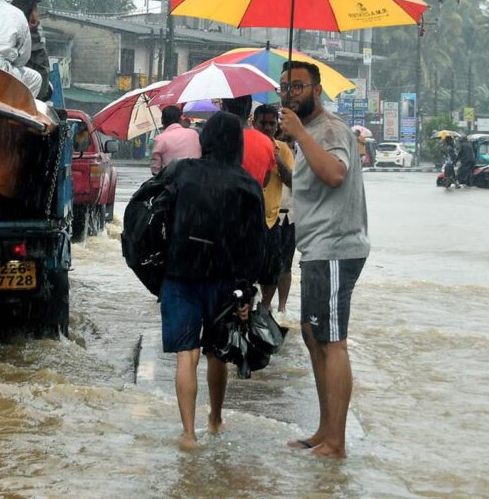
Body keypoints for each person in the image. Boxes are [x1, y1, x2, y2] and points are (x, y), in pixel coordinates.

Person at [157, 112, 267, 450]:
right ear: (237, 143)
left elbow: (153, 215)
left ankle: (188, 434)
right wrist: (246, 292)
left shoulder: (180, 173)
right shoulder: (247, 184)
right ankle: (215, 419)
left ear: (204, 141)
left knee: (185, 355)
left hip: (179, 275)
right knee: (217, 354)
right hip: (224, 281)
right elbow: (255, 245)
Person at [278, 60, 370, 459]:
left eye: (298, 86)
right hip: (316, 249)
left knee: (332, 341)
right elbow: (311, 185)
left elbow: (334, 173)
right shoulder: (308, 134)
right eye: (285, 87)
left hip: (335, 248)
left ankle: (337, 441)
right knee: (314, 337)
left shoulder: (328, 129)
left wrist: (298, 134)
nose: (290, 94)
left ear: (317, 90)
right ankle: (324, 429)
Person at [254, 103, 295, 320]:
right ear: (254, 123)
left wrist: (276, 157)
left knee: (278, 267)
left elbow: (292, 181)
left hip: (277, 218)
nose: (268, 127)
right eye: (264, 123)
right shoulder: (246, 145)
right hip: (249, 219)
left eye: (272, 124)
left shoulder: (283, 149)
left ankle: (272, 308)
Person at [220, 95, 275, 188]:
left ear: (224, 108)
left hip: (222, 200)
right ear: (249, 110)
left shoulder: (217, 139)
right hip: (254, 200)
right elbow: (265, 182)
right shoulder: (266, 142)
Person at [150, 105, 202, 175]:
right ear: (180, 119)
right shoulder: (194, 134)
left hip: (172, 181)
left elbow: (155, 169)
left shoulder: (160, 139)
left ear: (162, 120)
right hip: (196, 177)